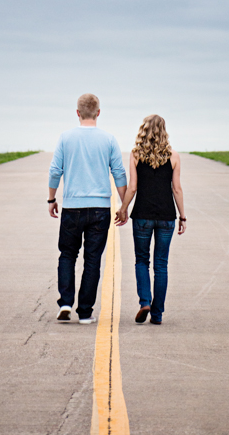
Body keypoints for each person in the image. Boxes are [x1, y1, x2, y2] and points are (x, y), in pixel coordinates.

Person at [48, 93, 127, 324]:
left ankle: (65, 302)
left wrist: (52, 199)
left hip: (72, 207)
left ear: (78, 112)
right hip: (100, 208)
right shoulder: (109, 139)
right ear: (99, 113)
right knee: (92, 260)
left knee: (67, 255)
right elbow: (119, 173)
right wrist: (123, 205)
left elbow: (55, 171)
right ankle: (85, 312)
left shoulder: (66, 138)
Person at [115, 114, 186, 325]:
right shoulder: (173, 156)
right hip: (166, 217)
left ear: (143, 131)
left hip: (142, 216)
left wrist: (123, 208)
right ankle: (157, 314)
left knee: (141, 260)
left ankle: (145, 301)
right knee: (161, 265)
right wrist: (182, 216)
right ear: (164, 132)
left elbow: (133, 187)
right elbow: (177, 188)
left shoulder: (136, 154)